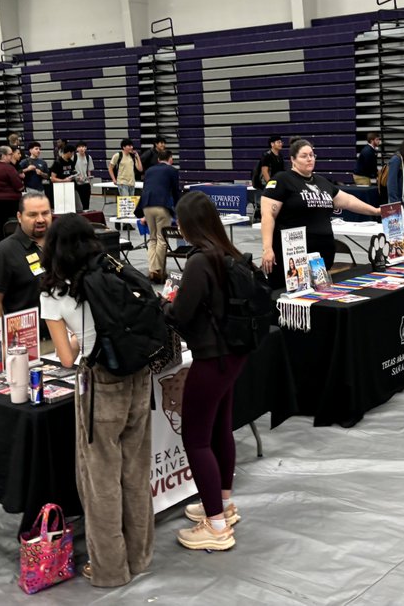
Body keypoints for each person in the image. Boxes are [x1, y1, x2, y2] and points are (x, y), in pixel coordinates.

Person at [40, 215, 152, 588]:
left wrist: (78, 338)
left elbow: (67, 358)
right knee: (135, 471)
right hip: (139, 374)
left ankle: (109, 570)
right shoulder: (113, 269)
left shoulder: (55, 293)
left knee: (100, 479)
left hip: (101, 382)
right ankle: (139, 556)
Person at [165, 191, 248, 552]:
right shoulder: (228, 253)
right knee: (219, 430)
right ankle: (223, 506)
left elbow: (181, 314)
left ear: (187, 225)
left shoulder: (200, 261)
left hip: (213, 357)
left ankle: (215, 526)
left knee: (196, 439)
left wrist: (162, 307)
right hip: (234, 354)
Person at [260, 138, 381, 288]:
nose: (309, 159)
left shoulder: (322, 182)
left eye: (312, 155)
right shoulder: (282, 180)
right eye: (304, 156)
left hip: (321, 257)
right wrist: (267, 248)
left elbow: (349, 201)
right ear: (293, 159)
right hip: (293, 256)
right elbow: (268, 216)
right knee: (289, 298)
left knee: (318, 297)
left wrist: (375, 210)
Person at [0, 191, 52, 318]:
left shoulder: (60, 244)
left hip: (66, 334)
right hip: (26, 335)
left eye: (45, 213)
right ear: (19, 217)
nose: (40, 219)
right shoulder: (4, 252)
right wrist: (0, 336)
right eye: (32, 215)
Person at [140, 148, 183, 282]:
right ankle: (158, 271)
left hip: (147, 206)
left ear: (158, 160)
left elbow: (146, 189)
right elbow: (176, 192)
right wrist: (179, 212)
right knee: (162, 239)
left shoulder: (149, 170)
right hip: (161, 206)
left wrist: (142, 214)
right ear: (171, 159)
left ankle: (153, 270)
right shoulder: (172, 170)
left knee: (152, 239)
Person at [0, 145, 24, 244]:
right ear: (3, 156)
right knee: (12, 228)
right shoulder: (8, 168)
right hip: (9, 202)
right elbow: (19, 186)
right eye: (10, 154)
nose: (12, 156)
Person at [73, 140, 96, 211]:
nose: (81, 148)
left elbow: (89, 170)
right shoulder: (73, 157)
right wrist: (77, 176)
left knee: (86, 203)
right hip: (76, 184)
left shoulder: (88, 157)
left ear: (86, 148)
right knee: (77, 204)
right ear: (77, 149)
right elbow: (71, 169)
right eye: (79, 147)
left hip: (85, 184)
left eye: (83, 147)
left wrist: (89, 179)